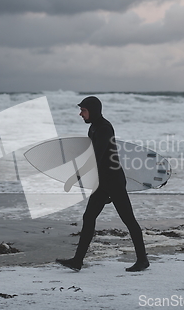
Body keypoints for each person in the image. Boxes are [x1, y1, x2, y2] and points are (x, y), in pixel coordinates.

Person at [56, 96, 149, 272]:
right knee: (88, 217)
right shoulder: (94, 128)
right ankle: (77, 261)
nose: (80, 114)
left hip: (113, 181)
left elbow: (96, 158)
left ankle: (142, 260)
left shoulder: (104, 128)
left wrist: (75, 176)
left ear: (93, 110)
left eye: (83, 110)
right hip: (102, 182)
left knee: (128, 220)